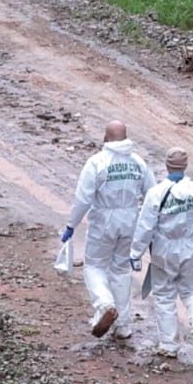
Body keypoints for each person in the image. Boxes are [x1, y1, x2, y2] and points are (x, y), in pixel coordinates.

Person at [58, 121, 155, 341]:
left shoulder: (97, 163)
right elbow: (152, 195)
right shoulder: (138, 162)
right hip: (130, 218)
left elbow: (83, 199)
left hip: (104, 219)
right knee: (121, 270)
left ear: (105, 137)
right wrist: (149, 228)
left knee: (94, 266)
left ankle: (105, 305)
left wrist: (71, 225)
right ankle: (123, 326)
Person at [128, 147, 193, 359]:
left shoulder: (156, 193)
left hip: (164, 249)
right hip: (191, 249)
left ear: (167, 165)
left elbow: (145, 226)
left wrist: (136, 253)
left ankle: (169, 345)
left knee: (164, 295)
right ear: (185, 165)